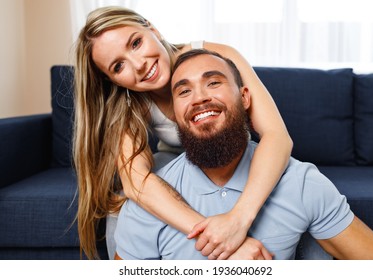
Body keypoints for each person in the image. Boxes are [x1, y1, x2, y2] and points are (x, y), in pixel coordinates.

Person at [114, 49, 373, 260]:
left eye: (213, 83)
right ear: (174, 114)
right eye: (184, 91)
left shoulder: (302, 183)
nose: (199, 97)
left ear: (245, 97)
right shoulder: (147, 206)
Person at [73, 6, 292, 260]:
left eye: (136, 43)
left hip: (229, 153)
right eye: (119, 66)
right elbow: (136, 182)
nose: (140, 64)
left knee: (293, 188)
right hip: (177, 161)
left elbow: (277, 136)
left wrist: (238, 220)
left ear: (151, 28)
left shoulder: (216, 56)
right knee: (123, 208)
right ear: (114, 81)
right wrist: (217, 237)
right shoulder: (129, 101)